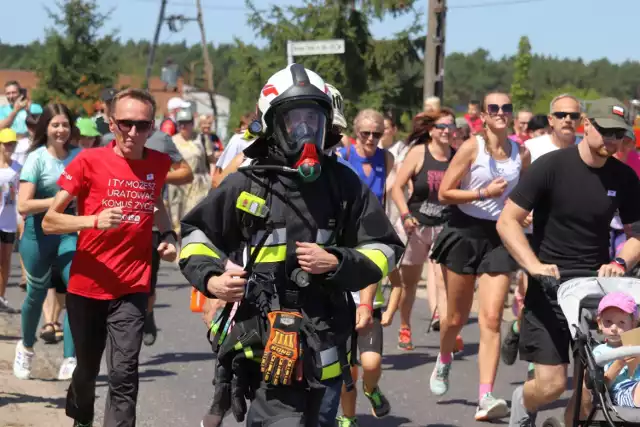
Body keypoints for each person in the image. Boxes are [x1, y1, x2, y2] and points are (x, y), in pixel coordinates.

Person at [179, 63, 404, 427]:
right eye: (295, 120)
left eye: (313, 120)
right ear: (272, 125)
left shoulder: (343, 185)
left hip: (327, 337)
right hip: (269, 339)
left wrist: (336, 261)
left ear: (326, 124)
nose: (305, 131)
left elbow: (386, 247)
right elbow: (194, 234)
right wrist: (213, 280)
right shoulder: (247, 185)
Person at [496, 97, 640, 427]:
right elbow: (507, 221)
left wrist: (620, 260)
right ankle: (522, 401)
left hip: (595, 289)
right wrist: (533, 266)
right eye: (604, 130)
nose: (611, 140)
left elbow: (638, 234)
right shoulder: (551, 167)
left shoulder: (624, 177)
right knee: (551, 385)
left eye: (618, 134)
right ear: (585, 125)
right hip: (549, 286)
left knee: (591, 392)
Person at [42, 88, 177, 427]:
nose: (134, 133)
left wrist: (170, 235)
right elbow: (49, 221)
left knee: (123, 374)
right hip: (88, 286)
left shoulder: (159, 163)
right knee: (87, 371)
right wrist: (92, 221)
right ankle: (81, 416)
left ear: (152, 126)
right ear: (112, 123)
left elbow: (156, 203)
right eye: (126, 124)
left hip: (132, 285)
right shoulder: (88, 161)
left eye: (142, 125)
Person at [429, 92, 530, 421]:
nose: (501, 112)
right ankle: (444, 358)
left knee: (490, 318)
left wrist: (523, 214)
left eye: (506, 108)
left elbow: (522, 195)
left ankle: (485, 397)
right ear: (484, 116)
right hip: (464, 233)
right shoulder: (473, 147)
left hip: (499, 237)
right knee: (454, 320)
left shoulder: (521, 153)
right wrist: (483, 193)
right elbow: (445, 192)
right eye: (494, 108)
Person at [501, 94, 583, 370]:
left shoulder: (586, 149)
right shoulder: (532, 149)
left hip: (570, 239)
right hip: (534, 234)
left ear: (581, 120)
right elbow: (513, 188)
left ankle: (517, 329)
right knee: (534, 290)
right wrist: (523, 213)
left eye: (573, 115)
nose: (567, 120)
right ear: (551, 120)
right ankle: (538, 354)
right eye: (561, 115)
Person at [14, 103, 80, 382]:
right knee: (37, 292)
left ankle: (70, 357)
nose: (61, 130)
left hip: (68, 231)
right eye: (55, 125)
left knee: (77, 288)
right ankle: (26, 347)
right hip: (37, 234)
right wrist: (57, 200)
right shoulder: (36, 158)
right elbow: (23, 205)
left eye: (65, 124)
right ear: (46, 128)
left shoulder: (79, 156)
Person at [390, 109, 459, 350]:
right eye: (441, 127)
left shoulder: (457, 156)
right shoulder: (419, 153)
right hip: (416, 225)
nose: (446, 131)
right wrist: (406, 215)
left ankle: (448, 331)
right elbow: (397, 188)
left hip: (444, 226)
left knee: (443, 280)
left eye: (450, 126)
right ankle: (405, 326)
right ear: (431, 130)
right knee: (409, 283)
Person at [0, 129, 20, 313]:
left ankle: (1, 297)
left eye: (12, 144)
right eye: (6, 144)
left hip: (10, 221)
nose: (9, 147)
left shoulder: (17, 168)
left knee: (5, 261)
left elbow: (21, 194)